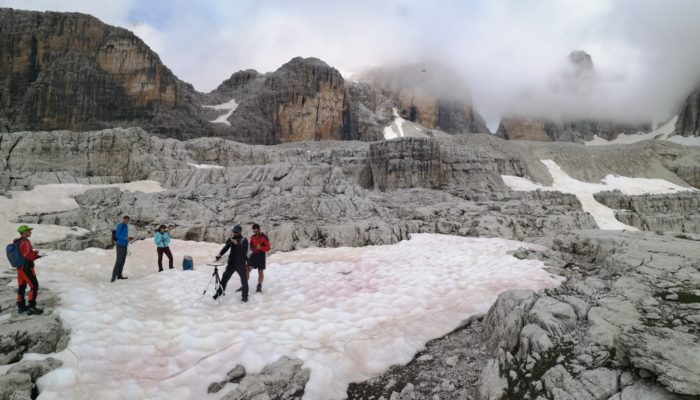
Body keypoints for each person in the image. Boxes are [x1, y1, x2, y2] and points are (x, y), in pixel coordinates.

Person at [215, 225, 249, 302]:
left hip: (241, 264)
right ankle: (220, 292)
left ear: (240, 232)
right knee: (225, 278)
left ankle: (245, 296)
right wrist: (220, 255)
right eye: (233, 231)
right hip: (231, 263)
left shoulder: (244, 240)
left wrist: (237, 243)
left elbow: (244, 251)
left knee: (244, 280)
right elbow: (226, 247)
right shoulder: (231, 239)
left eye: (236, 232)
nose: (234, 233)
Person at [15, 225, 43, 315]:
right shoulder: (26, 242)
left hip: (20, 268)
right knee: (34, 286)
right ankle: (31, 307)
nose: (30, 232)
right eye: (28, 231)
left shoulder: (17, 242)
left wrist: (34, 253)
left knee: (22, 287)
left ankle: (21, 306)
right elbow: (27, 255)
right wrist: (37, 255)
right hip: (27, 268)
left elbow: (23, 254)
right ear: (24, 232)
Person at [248, 223, 271, 293]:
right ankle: (244, 284)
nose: (254, 231)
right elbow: (250, 246)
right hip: (253, 254)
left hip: (261, 255)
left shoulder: (264, 237)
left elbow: (268, 248)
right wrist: (252, 248)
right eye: (253, 230)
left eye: (255, 230)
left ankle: (259, 285)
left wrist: (260, 247)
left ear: (259, 229)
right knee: (247, 269)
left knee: (260, 271)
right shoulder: (252, 237)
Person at [111, 215, 133, 282]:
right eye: (125, 219)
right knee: (119, 261)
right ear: (123, 219)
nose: (126, 221)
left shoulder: (126, 226)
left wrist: (128, 239)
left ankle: (119, 276)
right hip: (120, 245)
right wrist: (125, 238)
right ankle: (113, 278)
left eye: (127, 220)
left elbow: (124, 235)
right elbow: (117, 236)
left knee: (122, 261)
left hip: (124, 245)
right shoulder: (120, 225)